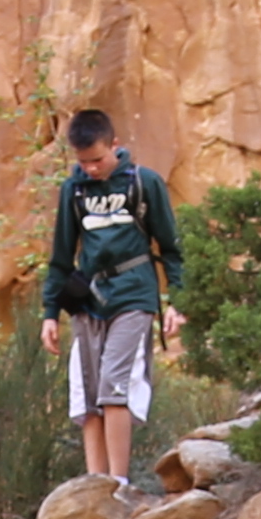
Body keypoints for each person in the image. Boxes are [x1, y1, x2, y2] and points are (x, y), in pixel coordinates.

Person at [34, 106, 186, 491]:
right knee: (86, 397)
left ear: (115, 146)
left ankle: (118, 485)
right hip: (86, 300)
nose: (91, 168)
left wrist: (177, 301)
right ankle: (94, 488)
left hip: (134, 296)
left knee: (114, 387)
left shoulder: (143, 183)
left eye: (97, 159)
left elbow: (171, 248)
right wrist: (51, 312)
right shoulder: (74, 190)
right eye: (83, 162)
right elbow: (61, 256)